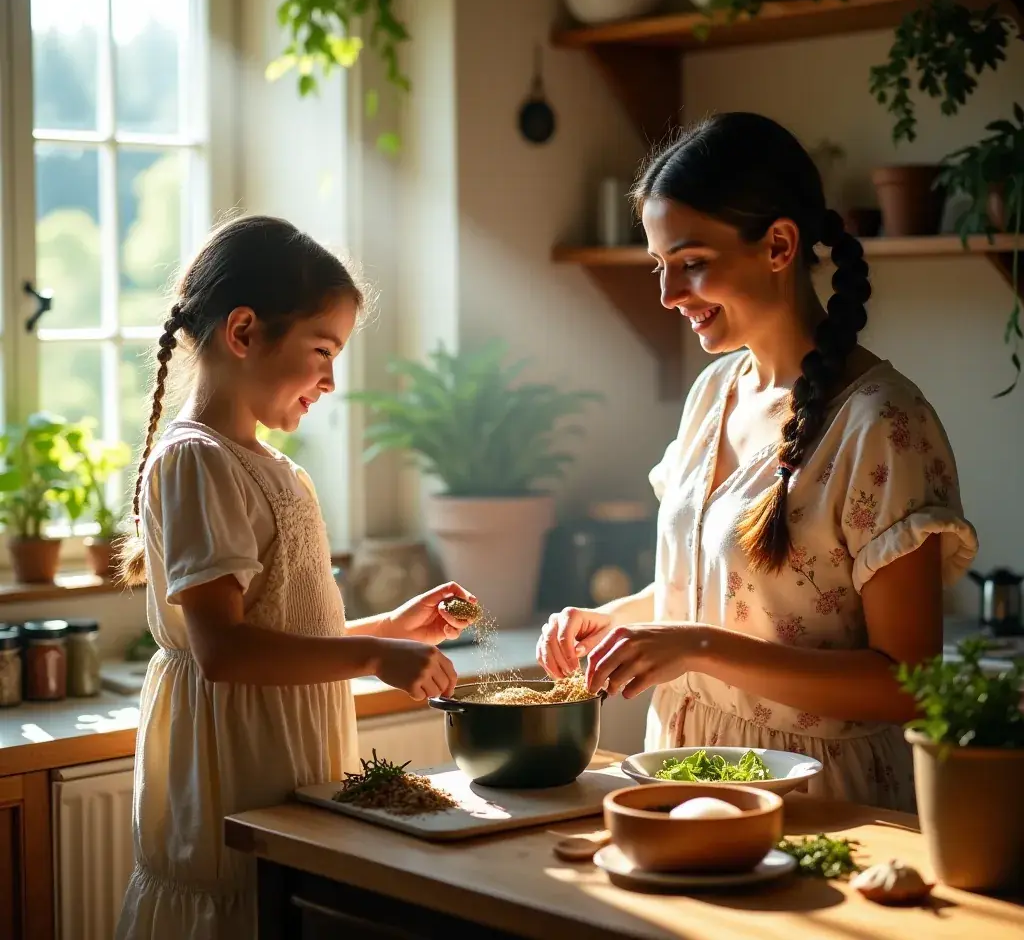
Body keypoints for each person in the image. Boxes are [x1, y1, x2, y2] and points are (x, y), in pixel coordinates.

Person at [537, 113, 978, 811]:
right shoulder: (713, 392)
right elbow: (721, 594)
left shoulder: (882, 424)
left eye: (691, 263)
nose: (668, 296)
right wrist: (615, 622)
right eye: (659, 267)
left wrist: (699, 647)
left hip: (818, 795)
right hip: (681, 774)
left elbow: (908, 683)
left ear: (778, 245)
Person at [115, 215, 474, 939]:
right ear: (243, 332)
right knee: (244, 909)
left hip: (282, 758)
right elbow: (225, 652)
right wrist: (374, 658)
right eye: (321, 350)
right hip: (234, 771)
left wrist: (388, 629)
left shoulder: (269, 465)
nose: (332, 381)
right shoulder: (197, 459)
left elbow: (282, 635)